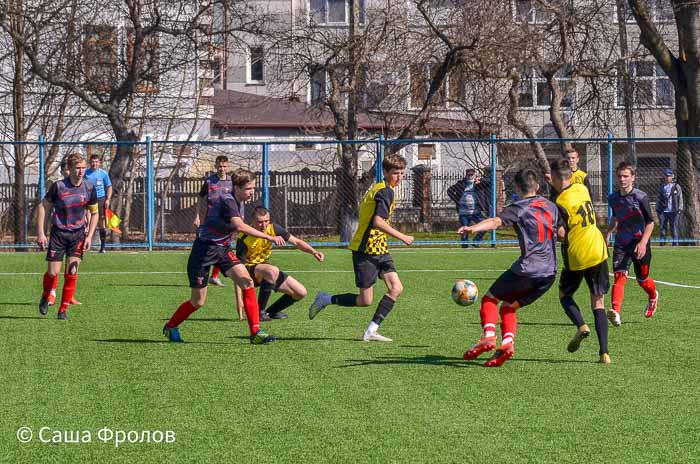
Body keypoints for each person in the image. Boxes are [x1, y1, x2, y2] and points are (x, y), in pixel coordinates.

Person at [163, 169, 285, 344]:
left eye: (253, 188)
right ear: (237, 188)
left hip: (222, 250)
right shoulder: (228, 201)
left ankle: (256, 332)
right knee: (198, 301)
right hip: (204, 251)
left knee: (247, 282)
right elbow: (239, 226)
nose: (252, 192)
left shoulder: (239, 201)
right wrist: (269, 236)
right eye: (249, 188)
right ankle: (171, 326)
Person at [307, 154, 414, 342]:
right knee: (365, 301)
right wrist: (403, 236)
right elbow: (378, 222)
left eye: (402, 173)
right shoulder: (384, 191)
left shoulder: (385, 188)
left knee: (396, 288)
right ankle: (326, 299)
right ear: (386, 172)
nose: (399, 176)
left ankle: (371, 331)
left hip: (380, 249)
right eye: (395, 173)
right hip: (365, 250)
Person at [461, 168, 559, 367]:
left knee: (489, 299)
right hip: (549, 274)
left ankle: (489, 335)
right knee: (509, 307)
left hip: (527, 270)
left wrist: (473, 228)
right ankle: (507, 343)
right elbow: (564, 232)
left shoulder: (518, 207)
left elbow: (496, 222)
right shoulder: (552, 206)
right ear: (538, 187)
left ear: (516, 187)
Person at [550, 159, 611, 364]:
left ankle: (581, 325)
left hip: (577, 253)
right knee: (598, 301)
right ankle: (604, 353)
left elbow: (560, 234)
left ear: (557, 178)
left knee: (564, 295)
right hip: (597, 247)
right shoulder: (582, 189)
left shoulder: (560, 202)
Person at [36, 153, 99, 320]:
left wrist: (89, 236)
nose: (80, 171)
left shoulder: (89, 187)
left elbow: (95, 213)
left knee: (72, 270)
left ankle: (63, 310)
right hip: (58, 234)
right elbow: (43, 207)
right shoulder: (58, 187)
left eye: (83, 168)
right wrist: (41, 233)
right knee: (53, 272)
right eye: (77, 168)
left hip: (78, 235)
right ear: (69, 169)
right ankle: (45, 295)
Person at [235, 206, 325, 321]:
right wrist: (239, 299)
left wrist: (314, 252)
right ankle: (259, 312)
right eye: (260, 222)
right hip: (248, 273)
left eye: (266, 221)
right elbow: (237, 269)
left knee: (300, 292)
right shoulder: (244, 237)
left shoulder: (274, 229)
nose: (264, 225)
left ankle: (271, 312)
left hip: (266, 272)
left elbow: (296, 242)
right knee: (272, 270)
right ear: (252, 221)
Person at [605, 161, 659, 326]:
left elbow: (651, 223)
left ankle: (653, 296)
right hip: (622, 242)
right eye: (620, 176)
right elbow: (615, 217)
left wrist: (643, 242)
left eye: (626, 176)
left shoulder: (640, 197)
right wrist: (608, 233)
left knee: (642, 279)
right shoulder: (613, 198)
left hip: (639, 242)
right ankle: (616, 312)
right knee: (620, 276)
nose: (622, 179)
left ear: (633, 178)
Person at [47, 158, 84, 307]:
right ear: (64, 171)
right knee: (55, 269)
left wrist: (86, 224)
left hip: (76, 232)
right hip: (60, 231)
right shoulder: (58, 186)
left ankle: (69, 297)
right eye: (68, 170)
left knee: (72, 267)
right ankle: (52, 292)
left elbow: (87, 208)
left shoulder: (83, 187)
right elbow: (47, 206)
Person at [194, 155, 233, 287]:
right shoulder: (210, 181)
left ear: (228, 167)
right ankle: (202, 275)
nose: (222, 168)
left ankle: (214, 276)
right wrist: (197, 216)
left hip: (227, 222)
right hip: (211, 221)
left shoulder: (232, 182)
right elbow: (200, 197)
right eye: (220, 166)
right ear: (215, 166)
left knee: (223, 247)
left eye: (224, 166)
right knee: (210, 247)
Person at [447, 168, 488, 248]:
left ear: (474, 175)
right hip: (463, 213)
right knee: (464, 231)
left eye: (471, 175)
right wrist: (456, 199)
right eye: (468, 175)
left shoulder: (479, 183)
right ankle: (465, 246)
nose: (470, 177)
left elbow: (490, 182)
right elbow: (449, 191)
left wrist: (481, 180)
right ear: (466, 175)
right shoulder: (461, 183)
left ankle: (476, 241)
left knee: (484, 226)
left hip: (476, 212)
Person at [84, 154, 113, 253]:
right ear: (90, 162)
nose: (94, 164)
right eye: (92, 162)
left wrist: (108, 199)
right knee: (87, 222)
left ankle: (103, 247)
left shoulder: (103, 173)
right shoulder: (85, 173)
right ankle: (86, 245)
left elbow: (109, 186)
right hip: (88, 199)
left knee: (101, 223)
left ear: (99, 163)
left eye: (96, 162)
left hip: (100, 199)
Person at [656, 167, 683, 246]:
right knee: (663, 229)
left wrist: (680, 209)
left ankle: (675, 244)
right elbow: (658, 198)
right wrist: (657, 208)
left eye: (669, 176)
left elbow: (680, 198)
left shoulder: (676, 186)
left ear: (672, 176)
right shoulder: (661, 187)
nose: (668, 178)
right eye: (666, 176)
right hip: (663, 211)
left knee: (674, 228)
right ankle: (662, 244)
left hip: (674, 211)